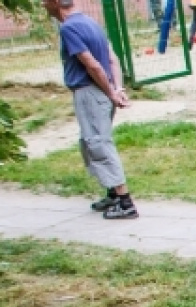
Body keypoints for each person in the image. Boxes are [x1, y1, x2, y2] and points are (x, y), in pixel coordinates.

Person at [43, 0, 138, 220]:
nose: (42, 4)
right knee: (91, 142)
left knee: (98, 143)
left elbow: (92, 64)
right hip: (103, 90)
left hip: (90, 91)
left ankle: (125, 202)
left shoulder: (68, 28)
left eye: (45, 0)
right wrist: (117, 88)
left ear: (56, 3)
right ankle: (113, 194)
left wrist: (112, 92)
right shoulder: (90, 22)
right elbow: (112, 58)